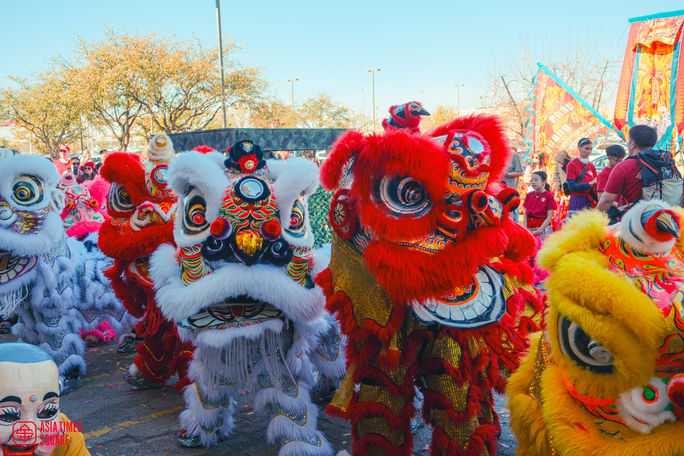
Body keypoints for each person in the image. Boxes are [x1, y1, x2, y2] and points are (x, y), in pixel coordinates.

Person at [597, 125, 657, 213]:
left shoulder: (623, 167)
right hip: (660, 216)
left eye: (628, 141)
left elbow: (606, 200)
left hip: (632, 218)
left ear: (633, 144)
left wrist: (594, 221)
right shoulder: (664, 162)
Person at [565, 138, 597, 213]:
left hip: (589, 201)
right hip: (577, 201)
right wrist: (590, 183)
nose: (589, 151)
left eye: (590, 149)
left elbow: (595, 185)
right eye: (586, 148)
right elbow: (572, 187)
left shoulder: (591, 166)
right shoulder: (572, 164)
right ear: (579, 148)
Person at [524, 171, 557, 242]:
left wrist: (540, 230)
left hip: (543, 229)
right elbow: (525, 213)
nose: (533, 182)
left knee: (542, 250)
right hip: (530, 228)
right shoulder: (529, 195)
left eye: (536, 180)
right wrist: (525, 228)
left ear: (543, 182)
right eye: (531, 180)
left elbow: (549, 216)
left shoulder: (548, 196)